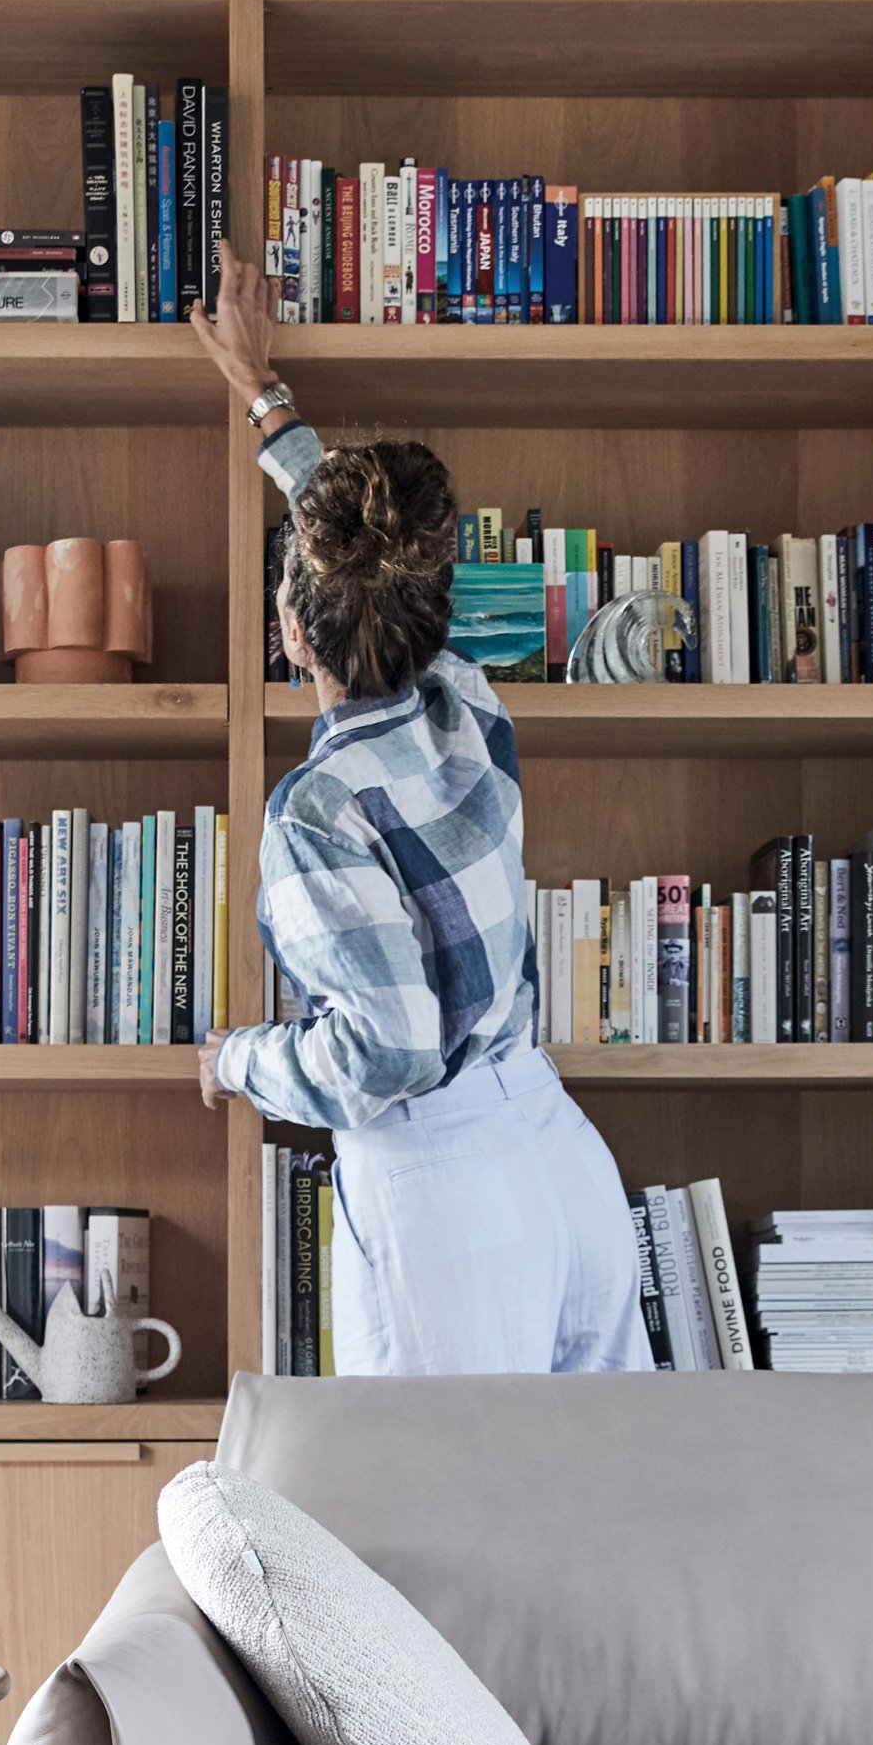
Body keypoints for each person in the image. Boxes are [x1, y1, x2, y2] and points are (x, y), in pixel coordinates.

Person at [188, 240, 652, 1378]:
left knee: (443, 1537)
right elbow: (365, 566)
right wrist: (265, 398)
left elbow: (382, 1052)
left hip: (445, 1196)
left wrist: (234, 1061)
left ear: (289, 631)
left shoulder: (316, 814)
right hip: (557, 1158)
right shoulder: (466, 702)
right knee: (607, 1516)